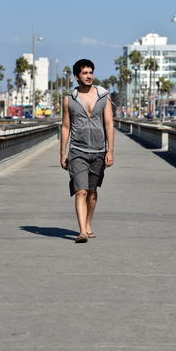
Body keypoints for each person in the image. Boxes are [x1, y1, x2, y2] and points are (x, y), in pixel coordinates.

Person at [60, 59, 114, 243]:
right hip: (77, 150)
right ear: (76, 76)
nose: (89, 76)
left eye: (91, 72)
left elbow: (109, 124)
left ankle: (88, 223)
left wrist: (110, 151)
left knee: (92, 191)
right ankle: (82, 231)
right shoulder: (69, 99)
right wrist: (63, 153)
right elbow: (66, 126)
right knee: (80, 191)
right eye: (85, 73)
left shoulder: (103, 96)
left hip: (99, 150)